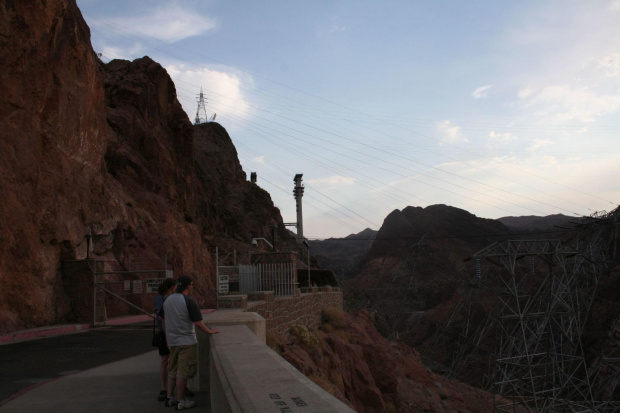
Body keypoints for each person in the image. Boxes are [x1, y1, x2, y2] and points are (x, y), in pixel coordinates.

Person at [161, 275, 219, 409]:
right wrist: (209, 332)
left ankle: (170, 397)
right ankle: (181, 401)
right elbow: (198, 323)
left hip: (172, 341)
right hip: (186, 341)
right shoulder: (188, 301)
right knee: (183, 373)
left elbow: (162, 319)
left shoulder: (167, 300)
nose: (192, 287)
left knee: (172, 370)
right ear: (188, 286)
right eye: (191, 285)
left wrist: (167, 336)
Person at [155, 277, 177, 401]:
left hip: (170, 332)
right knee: (165, 360)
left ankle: (171, 388)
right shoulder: (160, 298)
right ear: (171, 287)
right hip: (164, 333)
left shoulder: (171, 298)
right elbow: (161, 317)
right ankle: (163, 388)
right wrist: (167, 334)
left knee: (173, 360)